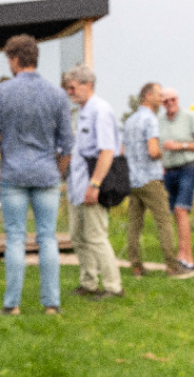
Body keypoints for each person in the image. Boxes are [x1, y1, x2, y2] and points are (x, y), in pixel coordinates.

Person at [0, 34, 74, 316]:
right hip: (46, 173)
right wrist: (56, 172)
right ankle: (51, 304)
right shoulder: (57, 95)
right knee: (48, 238)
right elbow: (67, 144)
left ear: (15, 60)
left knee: (15, 239)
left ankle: (12, 304)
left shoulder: (3, 92)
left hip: (13, 174)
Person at [122, 82, 194, 279]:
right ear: (147, 96)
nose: (161, 98)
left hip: (132, 179)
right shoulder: (151, 120)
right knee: (163, 221)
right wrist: (165, 152)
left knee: (134, 225)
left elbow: (122, 151)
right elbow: (153, 151)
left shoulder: (129, 121)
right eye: (158, 95)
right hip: (150, 179)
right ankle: (172, 266)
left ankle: (136, 266)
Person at [63, 64, 123, 299]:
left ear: (88, 85)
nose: (70, 92)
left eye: (73, 87)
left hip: (92, 185)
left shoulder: (101, 111)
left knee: (96, 237)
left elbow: (107, 151)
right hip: (77, 185)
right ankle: (88, 282)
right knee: (78, 236)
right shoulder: (83, 112)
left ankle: (113, 286)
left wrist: (95, 184)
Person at [159, 88, 194, 271]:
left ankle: (185, 256)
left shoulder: (190, 117)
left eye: (172, 99)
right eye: (165, 101)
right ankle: (185, 257)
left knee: (181, 209)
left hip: (189, 167)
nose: (170, 103)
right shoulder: (160, 121)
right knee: (176, 212)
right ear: (162, 103)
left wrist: (181, 146)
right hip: (169, 170)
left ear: (177, 99)